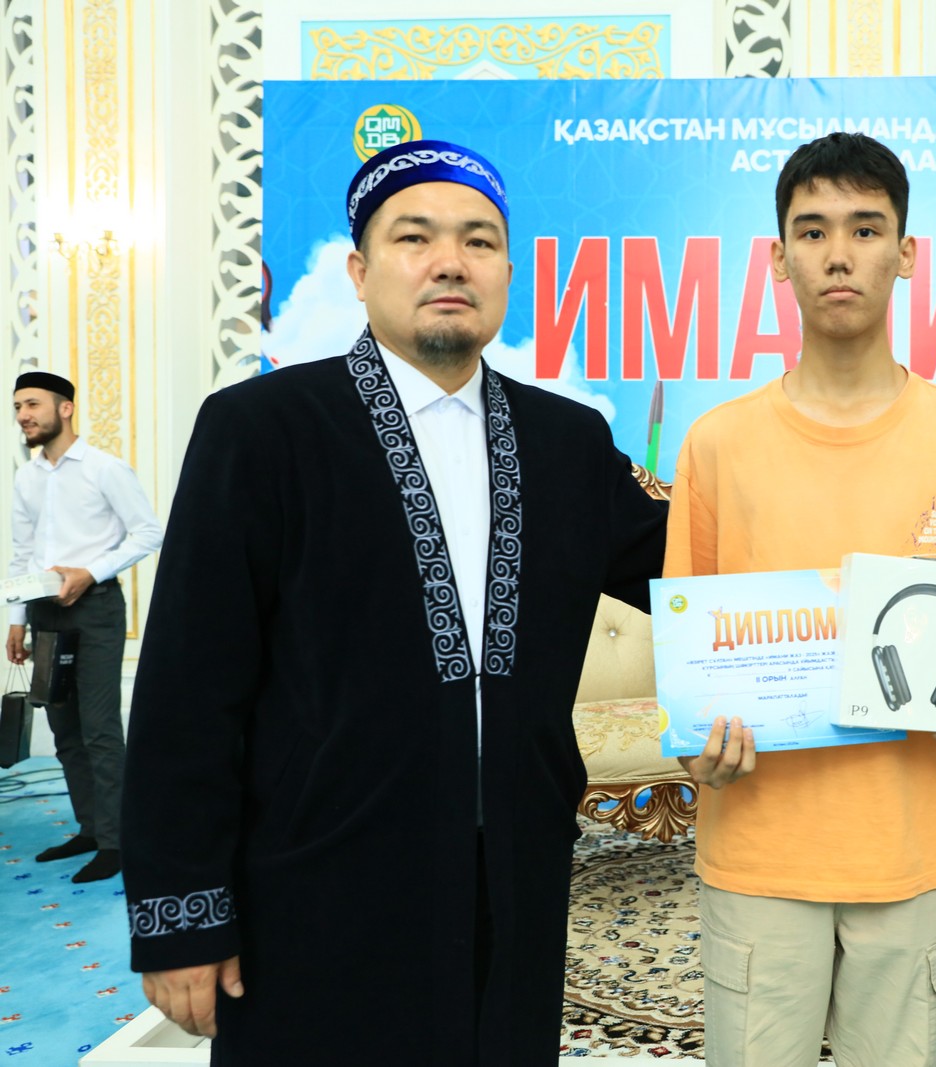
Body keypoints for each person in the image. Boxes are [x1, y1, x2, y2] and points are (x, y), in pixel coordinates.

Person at [120, 139, 668, 1064]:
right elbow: (188, 687)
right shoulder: (261, 430)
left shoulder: (569, 442)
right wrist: (183, 915)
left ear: (507, 273)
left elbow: (699, 571)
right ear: (360, 272)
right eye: (415, 237)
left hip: (514, 879)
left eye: (479, 241)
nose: (450, 261)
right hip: (318, 883)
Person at [664, 131, 936, 1067]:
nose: (840, 254)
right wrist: (695, 750)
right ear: (778, 257)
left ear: (906, 254)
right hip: (758, 848)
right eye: (814, 230)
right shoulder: (717, 443)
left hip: (912, 849)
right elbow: (692, 659)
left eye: (867, 229)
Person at [8, 371, 163, 883]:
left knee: (99, 729)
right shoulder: (26, 478)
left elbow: (148, 532)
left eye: (32, 404)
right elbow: (23, 552)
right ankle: (91, 829)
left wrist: (89, 573)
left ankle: (118, 841)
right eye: (17, 407)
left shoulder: (105, 469)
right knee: (64, 729)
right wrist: (16, 621)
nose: (23, 415)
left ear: (65, 408)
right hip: (43, 610)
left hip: (95, 607)